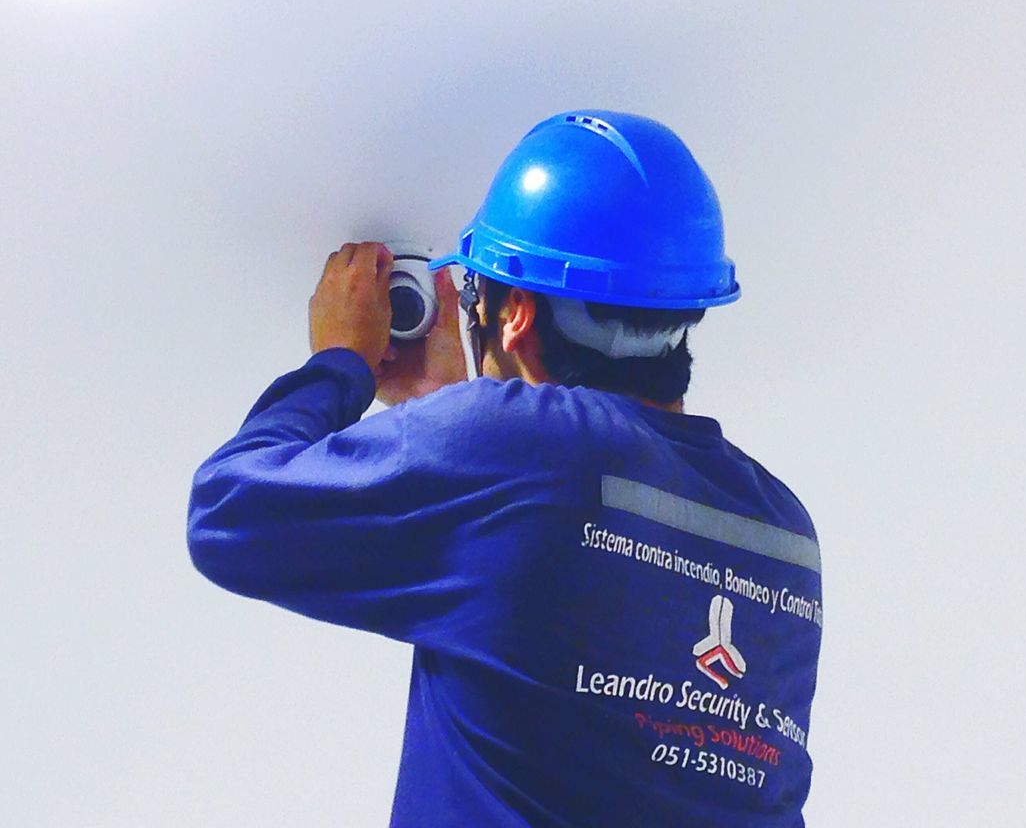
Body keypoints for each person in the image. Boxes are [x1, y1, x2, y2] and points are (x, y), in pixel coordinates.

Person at [188, 110, 823, 827]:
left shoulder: (509, 447)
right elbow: (563, 623)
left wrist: (340, 365)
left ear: (514, 312)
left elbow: (229, 512)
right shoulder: (781, 532)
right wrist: (448, 419)